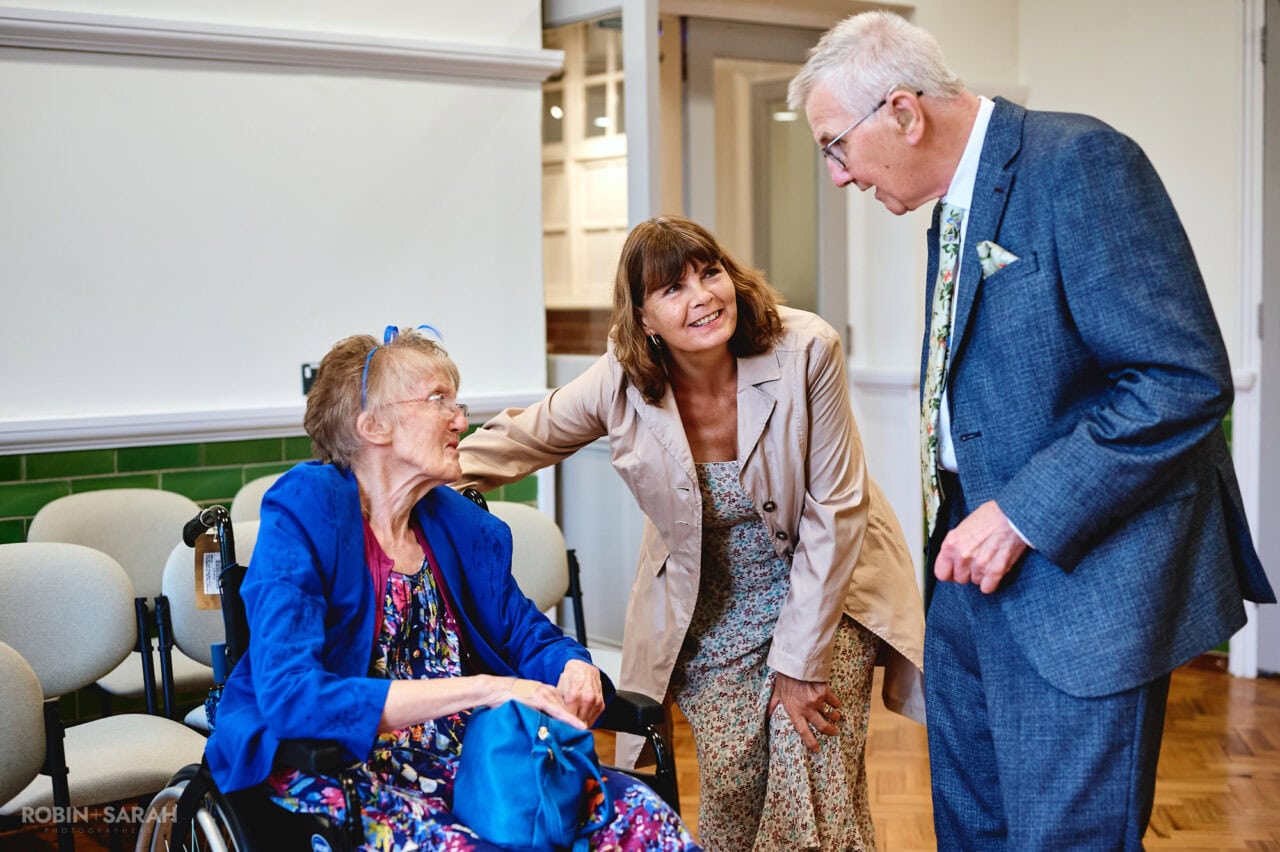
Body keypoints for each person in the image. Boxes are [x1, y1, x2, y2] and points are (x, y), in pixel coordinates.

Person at [790, 11, 1276, 850]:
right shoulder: (952, 204)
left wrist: (1021, 514)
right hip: (967, 580)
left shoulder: (1081, 163)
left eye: (836, 146)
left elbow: (1179, 378)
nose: (837, 176)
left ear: (903, 112)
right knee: (971, 831)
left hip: (1079, 586)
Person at [457, 215, 925, 851]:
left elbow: (836, 512)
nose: (702, 296)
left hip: (826, 584)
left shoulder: (807, 349)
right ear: (644, 317)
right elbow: (524, 438)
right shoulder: (621, 380)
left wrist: (799, 662)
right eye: (673, 288)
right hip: (712, 603)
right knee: (732, 788)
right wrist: (403, 470)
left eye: (709, 273)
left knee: (810, 760)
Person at [204, 326, 700, 851]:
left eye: (456, 402)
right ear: (373, 425)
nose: (461, 420)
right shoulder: (306, 512)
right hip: (338, 767)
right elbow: (292, 695)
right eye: (438, 399)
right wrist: (489, 689)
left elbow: (526, 633)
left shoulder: (460, 525)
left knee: (642, 816)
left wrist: (573, 666)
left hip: (470, 760)